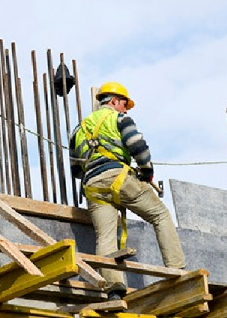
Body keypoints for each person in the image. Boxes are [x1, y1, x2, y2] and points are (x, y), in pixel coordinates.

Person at [69, 81, 185, 300]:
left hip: (93, 187)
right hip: (119, 178)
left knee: (105, 237)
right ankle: (177, 270)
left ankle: (114, 290)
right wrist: (146, 172)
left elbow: (75, 169)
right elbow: (138, 147)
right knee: (160, 215)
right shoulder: (119, 119)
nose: (126, 108)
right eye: (124, 104)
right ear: (113, 101)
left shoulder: (78, 129)